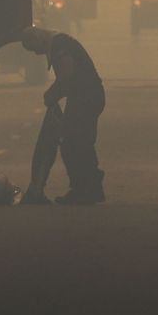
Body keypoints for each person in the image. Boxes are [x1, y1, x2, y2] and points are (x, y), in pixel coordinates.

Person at [19, 26, 106, 204]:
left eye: (34, 48)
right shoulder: (61, 43)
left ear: (38, 37)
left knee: (73, 143)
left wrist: (51, 94)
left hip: (86, 98)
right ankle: (89, 189)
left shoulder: (60, 45)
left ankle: (84, 190)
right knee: (80, 143)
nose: (37, 53)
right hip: (86, 97)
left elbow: (67, 76)